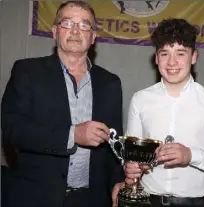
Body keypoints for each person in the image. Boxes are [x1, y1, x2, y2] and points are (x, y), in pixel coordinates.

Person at [1, 1, 124, 207]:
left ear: (93, 36)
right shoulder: (27, 71)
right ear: (55, 31)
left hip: (91, 200)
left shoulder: (110, 83)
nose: (75, 30)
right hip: (35, 197)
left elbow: (114, 141)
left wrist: (118, 180)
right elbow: (13, 129)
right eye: (67, 23)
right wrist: (72, 135)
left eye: (84, 25)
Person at [112, 18, 204, 207]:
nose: (172, 62)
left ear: (194, 57)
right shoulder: (140, 99)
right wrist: (131, 167)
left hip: (196, 202)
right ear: (156, 58)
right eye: (164, 54)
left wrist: (191, 155)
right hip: (146, 200)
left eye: (180, 53)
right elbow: (131, 154)